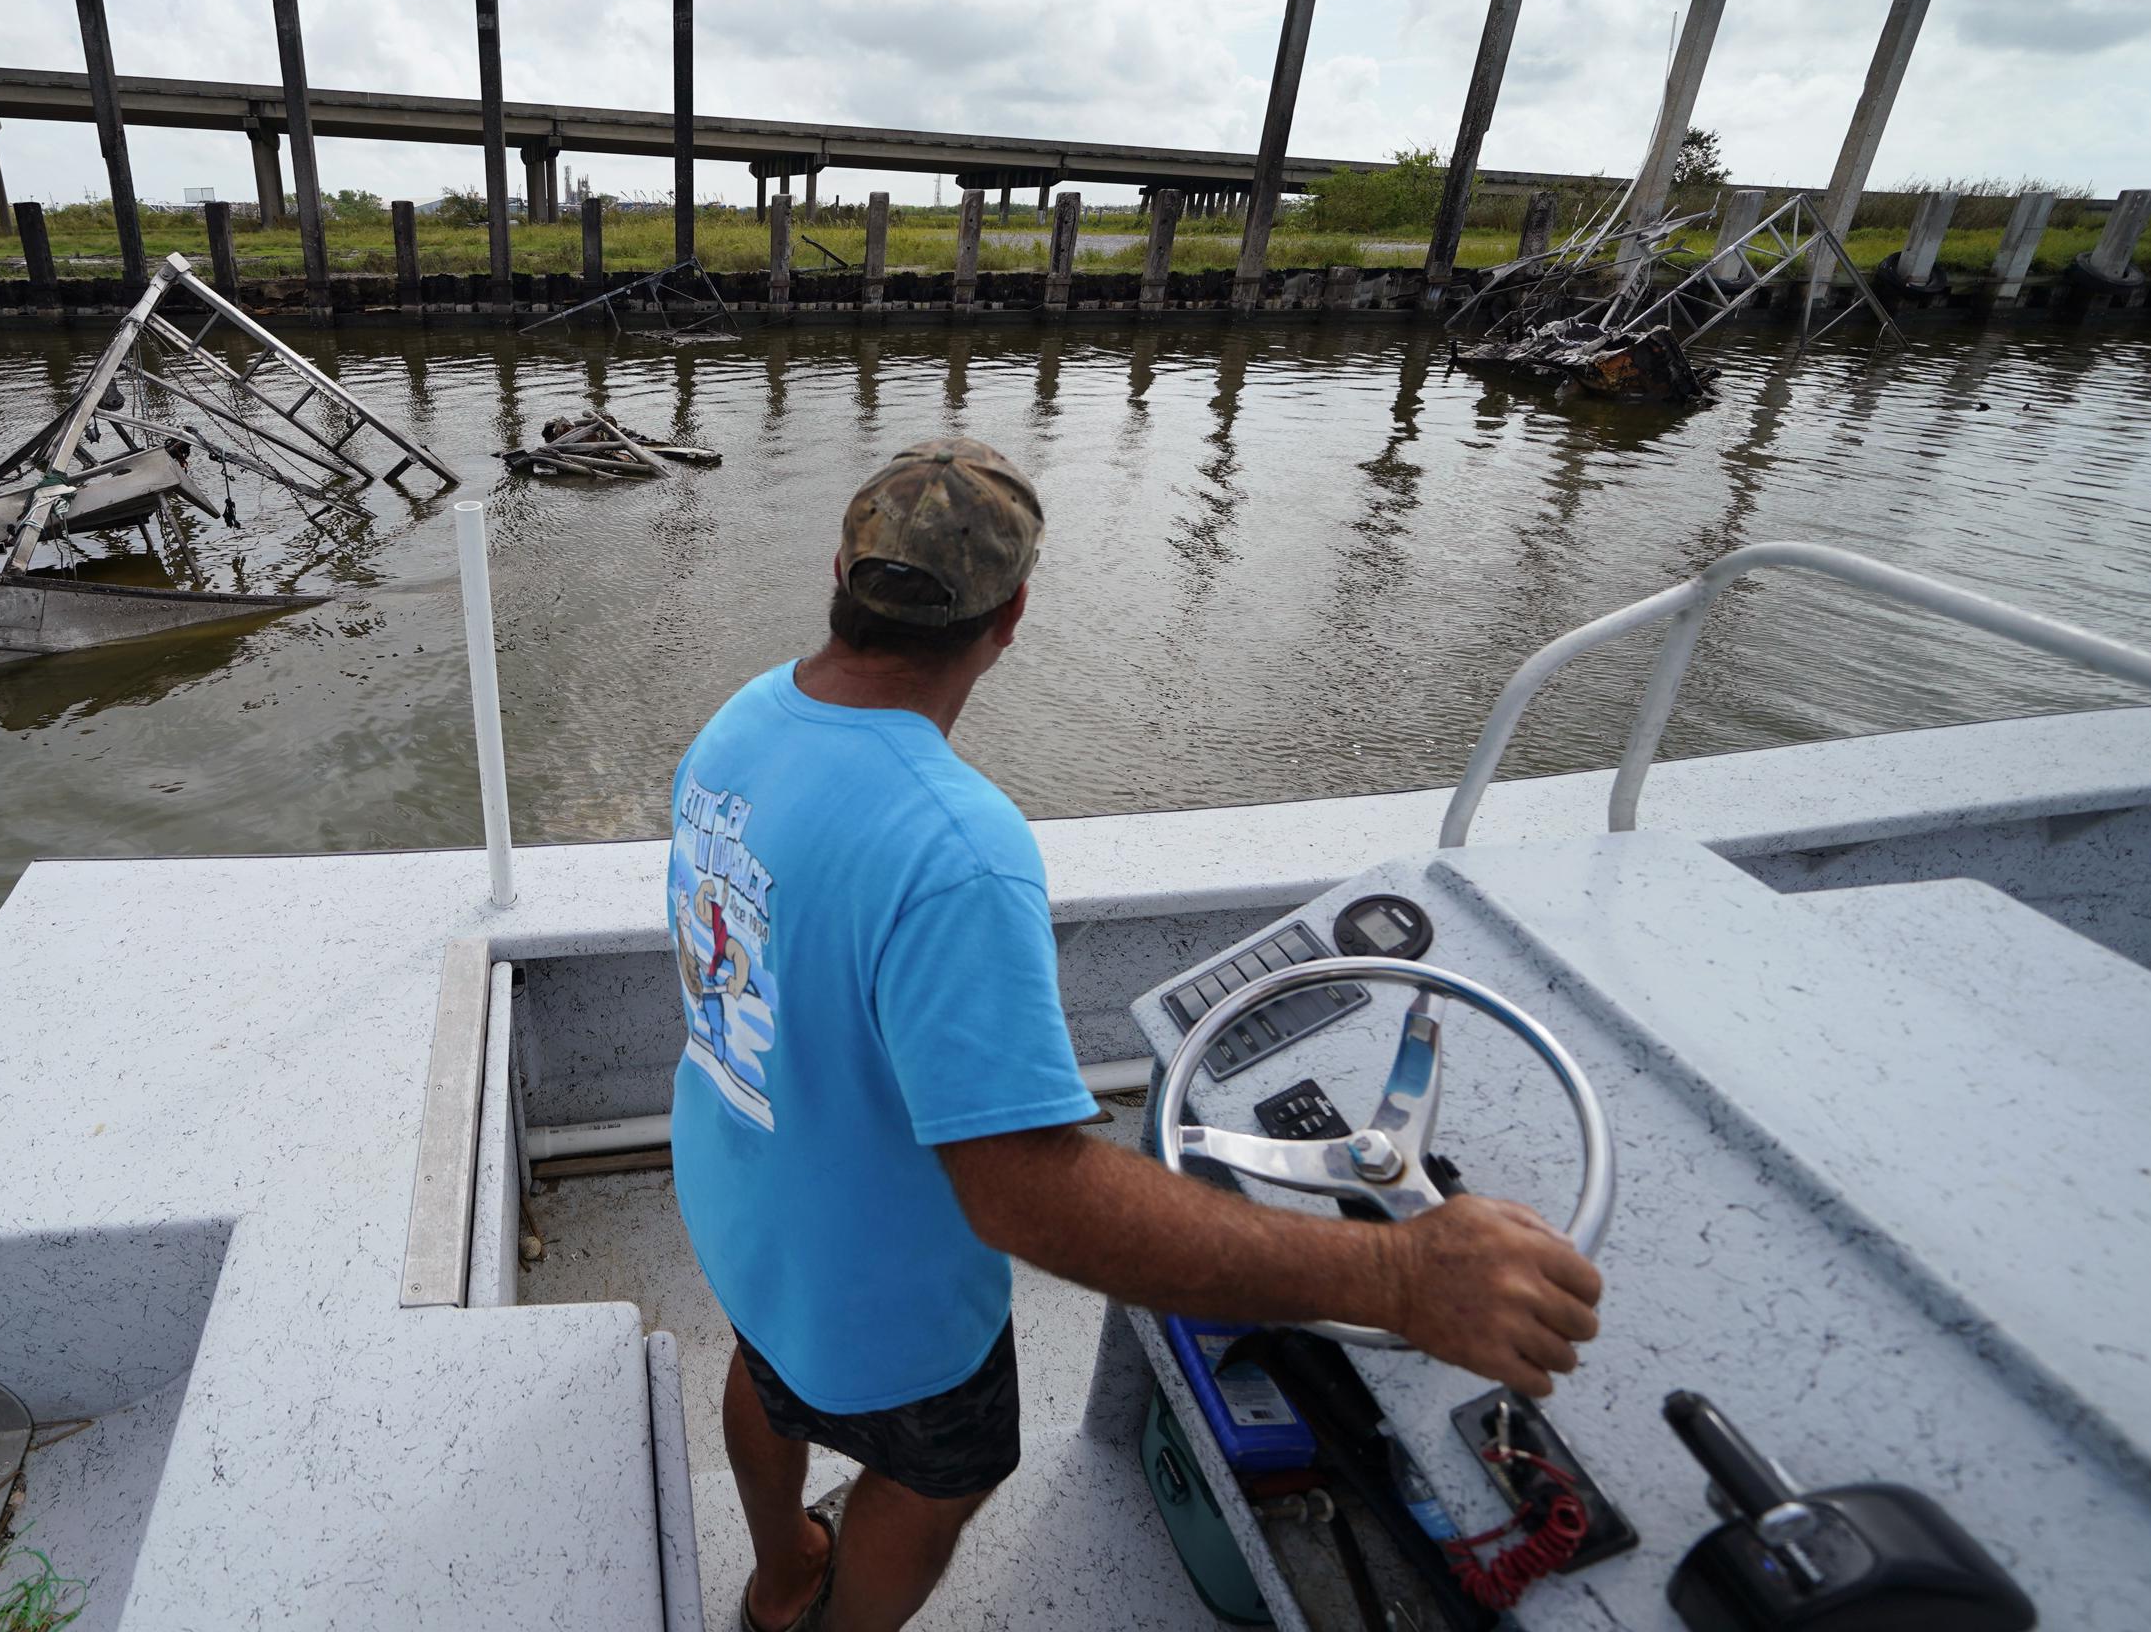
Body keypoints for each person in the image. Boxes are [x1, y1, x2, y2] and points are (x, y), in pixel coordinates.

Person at [664, 437, 1604, 1632]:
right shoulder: (957, 848)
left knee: (771, 1373)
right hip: (877, 1299)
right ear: (1010, 618)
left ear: (840, 570)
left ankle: (781, 1578)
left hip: (740, 1205)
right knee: (941, 1470)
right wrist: (1402, 1273)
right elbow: (1027, 1194)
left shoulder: (741, 720)